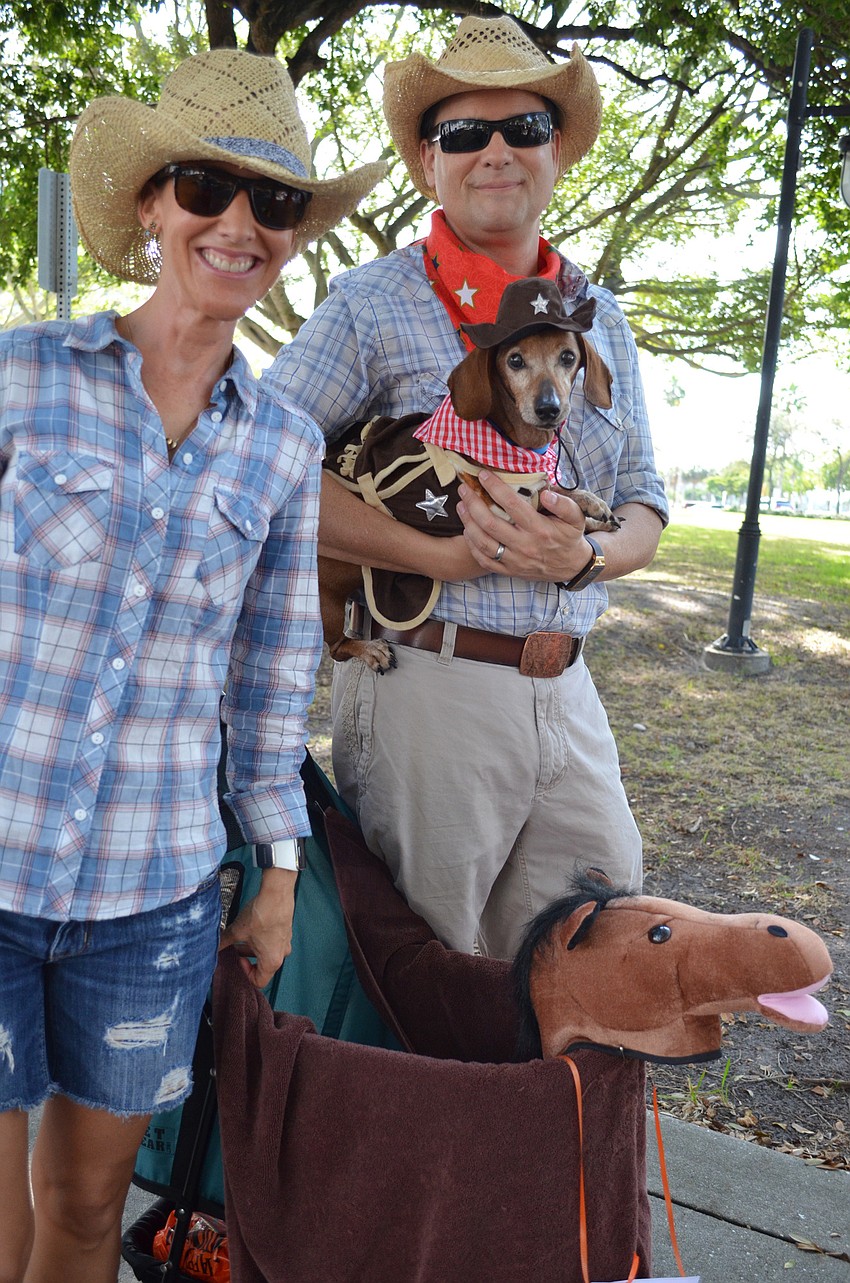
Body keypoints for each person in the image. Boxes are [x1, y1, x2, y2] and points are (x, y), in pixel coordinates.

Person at [0, 48, 382, 1283]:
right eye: (208, 189)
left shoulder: (278, 447)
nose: (238, 224)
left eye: (273, 203)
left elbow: (270, 684)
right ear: (153, 203)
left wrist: (275, 875)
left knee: (84, 1199)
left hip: (151, 895)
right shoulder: (21, 379)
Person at [264, 16, 669, 960]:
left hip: (569, 689)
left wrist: (589, 554)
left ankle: (555, 1116)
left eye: (523, 128)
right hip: (426, 679)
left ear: (556, 150)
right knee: (425, 973)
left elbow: (645, 498)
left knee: (595, 956)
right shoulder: (373, 304)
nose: (496, 152)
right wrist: (435, 552)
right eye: (464, 134)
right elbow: (259, 459)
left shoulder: (601, 321)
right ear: (424, 161)